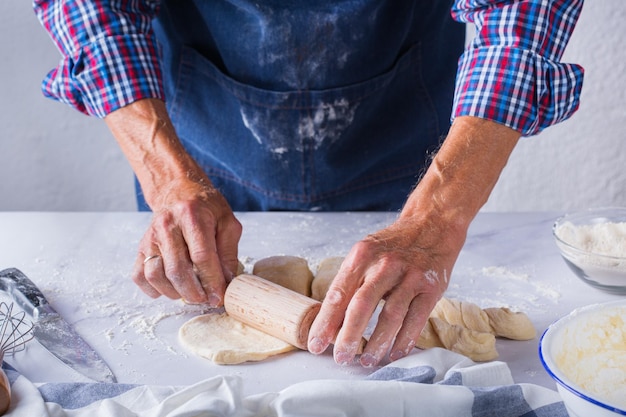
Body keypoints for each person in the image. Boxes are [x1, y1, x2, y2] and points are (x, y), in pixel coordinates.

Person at [34, 0, 584, 368]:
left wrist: (438, 215)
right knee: (195, 260)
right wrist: (167, 179)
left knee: (401, 294)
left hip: (402, 125)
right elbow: (92, 8)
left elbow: (521, 15)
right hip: (201, 133)